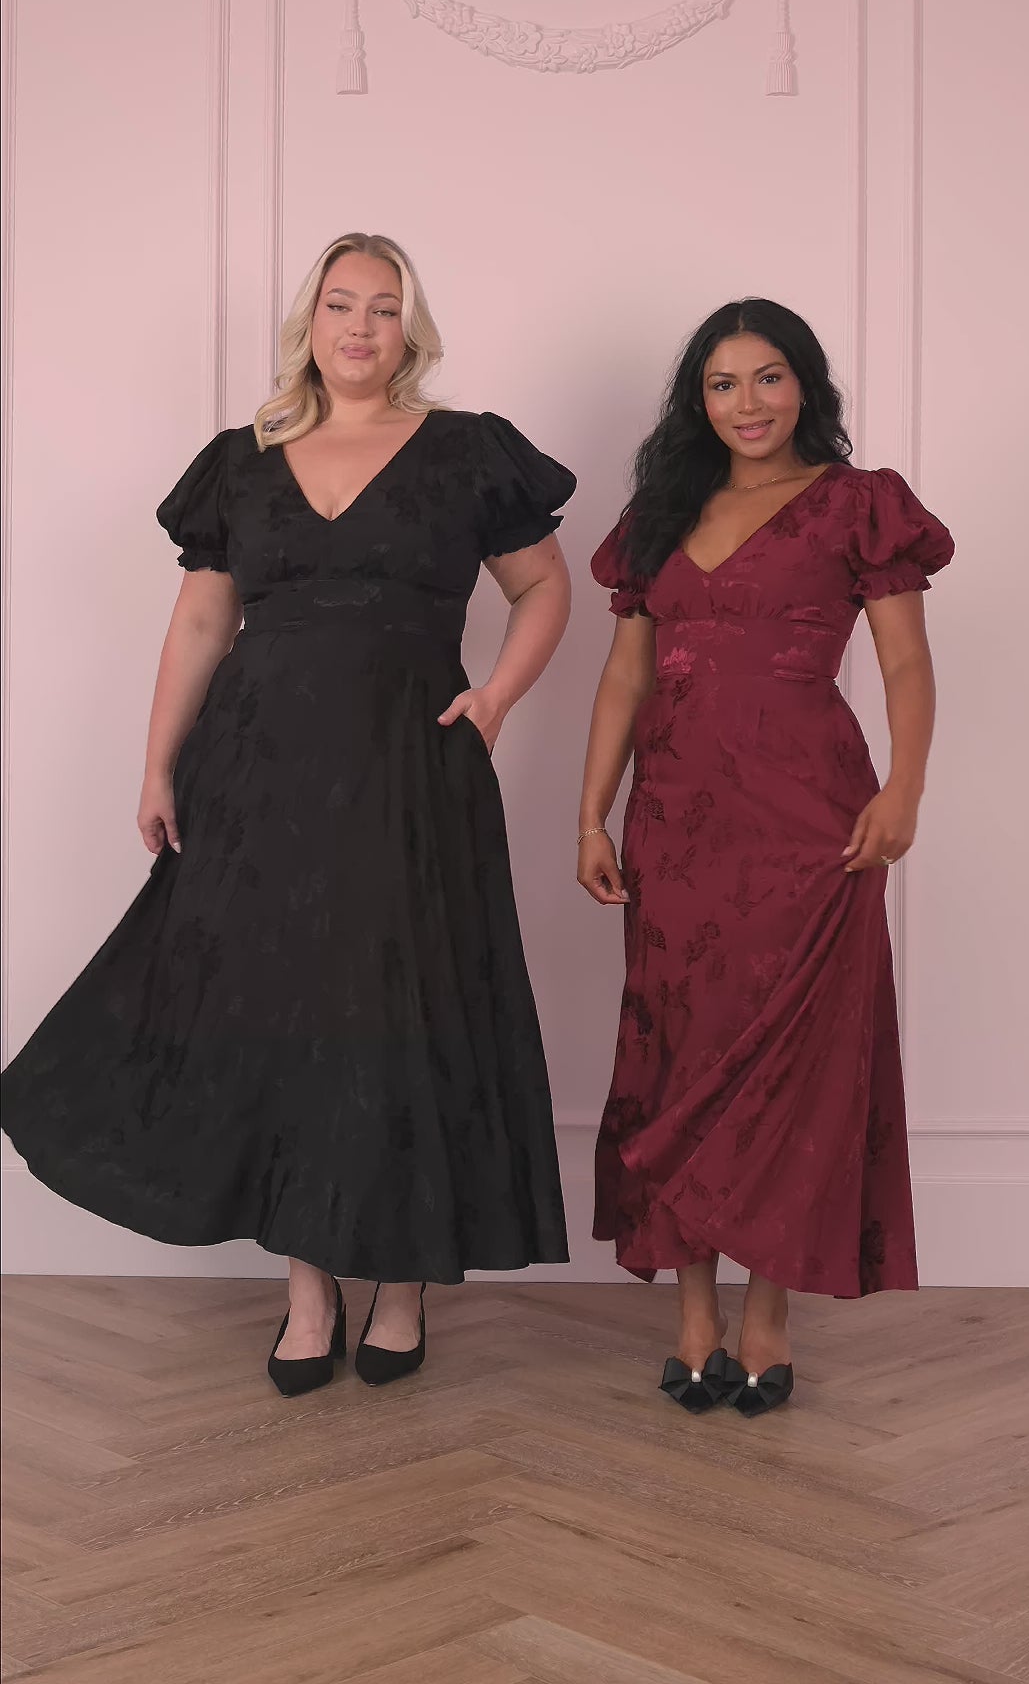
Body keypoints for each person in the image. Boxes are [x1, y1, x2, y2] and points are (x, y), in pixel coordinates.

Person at [2, 231, 574, 1396]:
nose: (360, 327)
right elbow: (202, 623)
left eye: (383, 308)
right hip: (258, 776)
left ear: (409, 330)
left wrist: (498, 698)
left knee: (403, 1016)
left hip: (412, 770)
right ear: (309, 323)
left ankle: (403, 1280)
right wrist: (157, 767)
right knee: (289, 1019)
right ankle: (310, 1288)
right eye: (340, 305)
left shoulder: (469, 452)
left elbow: (545, 586)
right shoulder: (241, 462)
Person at [577, 298, 953, 1417]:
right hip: (677, 825)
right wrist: (591, 814)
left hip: (811, 825)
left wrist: (904, 788)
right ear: (698, 400)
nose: (748, 403)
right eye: (724, 383)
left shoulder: (857, 504)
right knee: (681, 1059)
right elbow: (625, 676)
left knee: (796, 1068)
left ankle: (768, 1314)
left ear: (806, 386)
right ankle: (693, 1313)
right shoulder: (659, 516)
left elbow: (905, 665)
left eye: (769, 377)